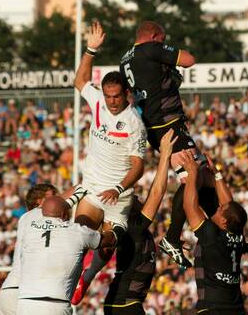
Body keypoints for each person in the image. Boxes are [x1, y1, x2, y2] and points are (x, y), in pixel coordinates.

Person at [120, 20, 207, 267]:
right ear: (155, 36)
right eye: (162, 39)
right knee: (193, 175)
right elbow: (189, 59)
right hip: (167, 123)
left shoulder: (124, 58)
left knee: (201, 173)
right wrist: (166, 56)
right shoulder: (150, 48)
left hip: (152, 125)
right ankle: (172, 237)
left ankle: (189, 233)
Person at [72, 20, 146, 304]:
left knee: (108, 243)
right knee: (80, 231)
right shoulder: (98, 102)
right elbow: (80, 81)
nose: (112, 102)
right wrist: (91, 49)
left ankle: (87, 279)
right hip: (93, 187)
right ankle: (72, 277)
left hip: (119, 195)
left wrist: (118, 187)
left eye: (117, 97)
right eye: (108, 96)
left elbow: (138, 166)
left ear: (125, 94)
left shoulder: (133, 123)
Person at [103, 129, 177, 315]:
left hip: (124, 302)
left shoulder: (132, 226)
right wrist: (165, 156)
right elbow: (157, 193)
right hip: (124, 305)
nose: (137, 197)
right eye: (133, 196)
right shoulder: (132, 227)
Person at [16, 195, 120, 315]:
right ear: (64, 214)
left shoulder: (27, 225)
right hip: (56, 305)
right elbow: (109, 240)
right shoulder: (76, 231)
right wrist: (119, 224)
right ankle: (89, 274)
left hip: (24, 304)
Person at [181, 150, 248, 315]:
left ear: (224, 221)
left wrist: (192, 174)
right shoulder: (238, 235)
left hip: (213, 308)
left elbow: (190, 206)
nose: (217, 208)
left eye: (220, 210)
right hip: (236, 308)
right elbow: (229, 205)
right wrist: (217, 174)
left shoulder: (212, 236)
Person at [0, 183, 58, 315]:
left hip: (11, 292)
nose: (57, 200)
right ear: (40, 202)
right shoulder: (35, 214)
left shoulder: (29, 220)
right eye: (53, 197)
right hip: (25, 295)